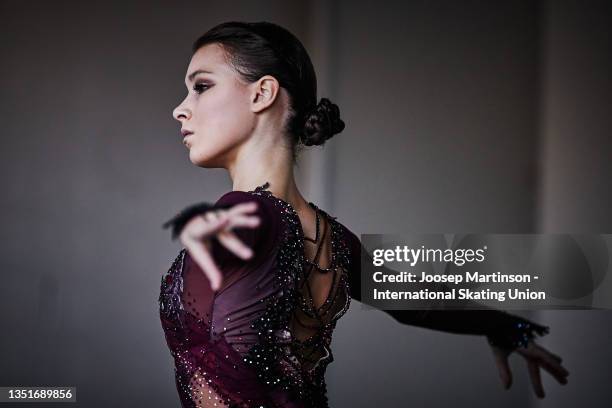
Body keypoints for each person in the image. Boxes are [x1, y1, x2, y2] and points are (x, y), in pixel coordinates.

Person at [159, 21, 569, 408]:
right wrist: (504, 327)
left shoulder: (243, 215)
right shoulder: (333, 240)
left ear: (262, 93)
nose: (181, 109)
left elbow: (236, 375)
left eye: (202, 86)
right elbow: (417, 302)